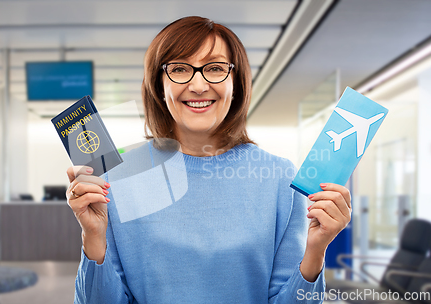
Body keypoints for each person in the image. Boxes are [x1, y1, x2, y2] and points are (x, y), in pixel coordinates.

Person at [66, 16, 351, 303]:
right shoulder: (116, 177)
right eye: (179, 69)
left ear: (235, 84)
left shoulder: (279, 176)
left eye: (215, 68)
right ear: (159, 86)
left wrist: (316, 250)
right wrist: (93, 237)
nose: (198, 85)